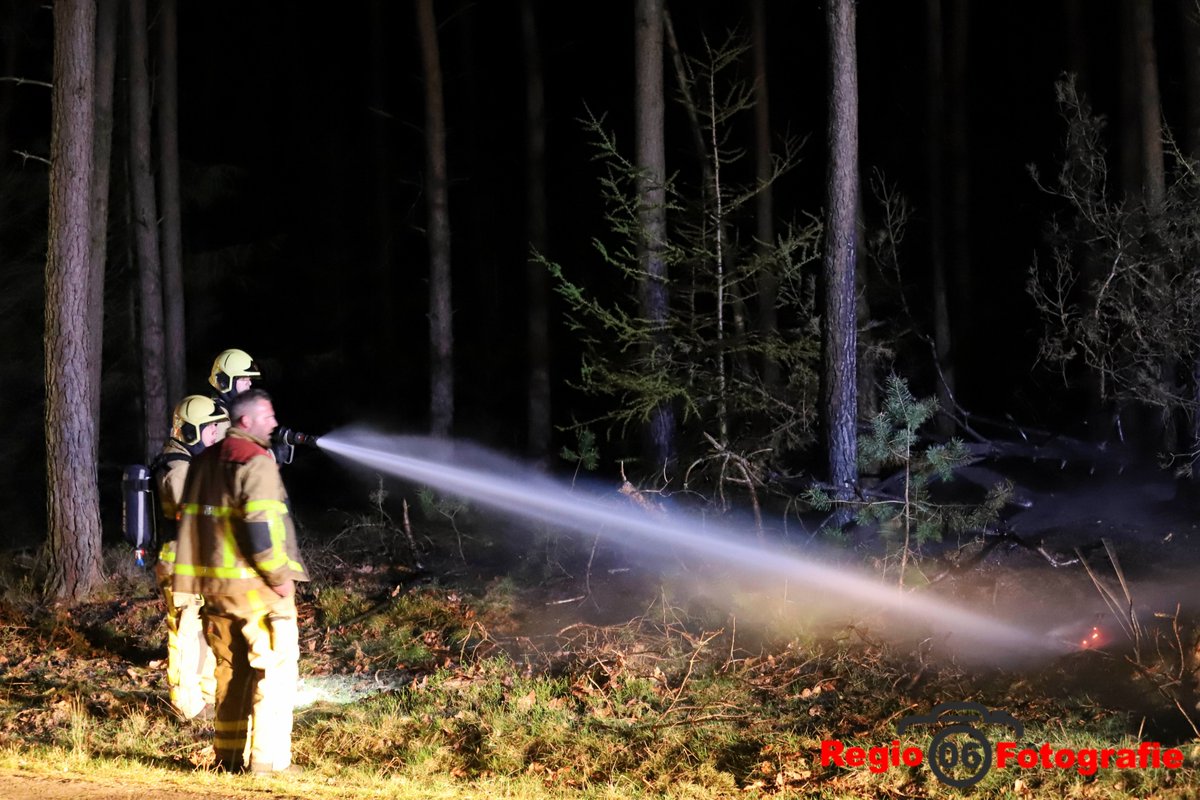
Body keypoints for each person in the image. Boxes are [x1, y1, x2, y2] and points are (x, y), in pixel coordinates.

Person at [172, 388, 309, 775]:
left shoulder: (206, 461)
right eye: (267, 416)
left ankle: (227, 759)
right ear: (246, 421)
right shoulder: (257, 462)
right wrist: (280, 578)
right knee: (275, 673)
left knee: (230, 675)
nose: (275, 423)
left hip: (215, 592)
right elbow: (260, 530)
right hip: (259, 593)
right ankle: (269, 763)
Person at [152, 395, 229, 721]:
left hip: (196, 558)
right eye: (210, 432)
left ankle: (207, 700)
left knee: (205, 630)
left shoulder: (192, 464)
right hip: (179, 560)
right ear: (190, 431)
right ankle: (187, 707)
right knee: (187, 631)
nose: (215, 438)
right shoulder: (175, 468)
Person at [207, 348, 262, 414]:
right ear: (224, 381)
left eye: (249, 379)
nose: (249, 383)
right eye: (244, 379)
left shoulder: (236, 410)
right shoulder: (216, 417)